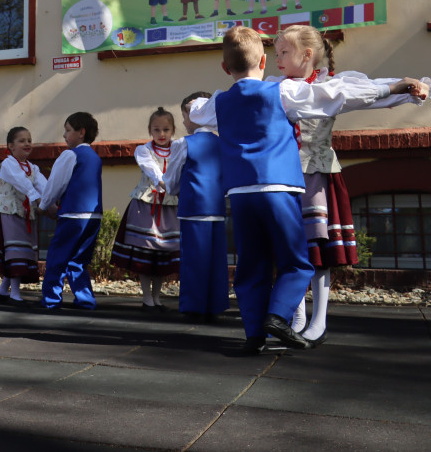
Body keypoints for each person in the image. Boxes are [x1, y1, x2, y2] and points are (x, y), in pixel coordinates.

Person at [189, 26, 428, 354]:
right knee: (297, 261)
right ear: (262, 61)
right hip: (278, 187)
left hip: (240, 194)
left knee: (251, 265)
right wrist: (397, 86)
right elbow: (336, 96)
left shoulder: (219, 102)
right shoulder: (283, 92)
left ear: (225, 68)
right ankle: (278, 316)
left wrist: (205, 101)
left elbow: (196, 111)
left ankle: (254, 335)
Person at [268, 25, 429, 345]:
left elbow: (368, 93)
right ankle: (295, 315)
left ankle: (319, 320)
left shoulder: (332, 86)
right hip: (285, 176)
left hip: (318, 173)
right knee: (290, 247)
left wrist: (408, 86)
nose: (278, 60)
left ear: (307, 55)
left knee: (319, 250)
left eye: (284, 53)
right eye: (276, 54)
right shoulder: (275, 87)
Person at [161, 92, 229, 322]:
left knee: (193, 259)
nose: (183, 122)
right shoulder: (223, 142)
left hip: (193, 209)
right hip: (217, 208)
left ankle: (194, 305)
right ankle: (216, 303)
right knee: (217, 259)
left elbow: (171, 179)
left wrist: (175, 189)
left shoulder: (184, 143)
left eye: (185, 116)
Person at [112, 107, 181, 312]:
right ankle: (147, 297)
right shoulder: (143, 150)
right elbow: (151, 169)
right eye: (156, 129)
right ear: (150, 130)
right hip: (146, 206)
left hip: (169, 207)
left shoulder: (178, 148)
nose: (161, 134)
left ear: (173, 130)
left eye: (166, 129)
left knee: (163, 253)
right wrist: (165, 183)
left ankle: (157, 298)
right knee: (146, 252)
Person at [37, 112, 103, 311]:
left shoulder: (70, 155)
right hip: (93, 215)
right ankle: (85, 299)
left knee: (58, 256)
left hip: (73, 214)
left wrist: (43, 205)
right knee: (79, 260)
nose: (64, 135)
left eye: (67, 130)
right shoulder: (95, 157)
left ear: (81, 132)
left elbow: (56, 183)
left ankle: (51, 300)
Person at [0, 126, 46, 305]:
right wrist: (35, 197)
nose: (27, 143)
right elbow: (20, 181)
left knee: (23, 250)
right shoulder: (8, 164)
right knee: (15, 250)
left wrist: (49, 200)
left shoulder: (33, 168)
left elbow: (43, 185)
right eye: (22, 141)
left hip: (25, 213)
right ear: (11, 146)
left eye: (29, 140)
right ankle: (14, 293)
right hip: (10, 211)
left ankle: (4, 290)